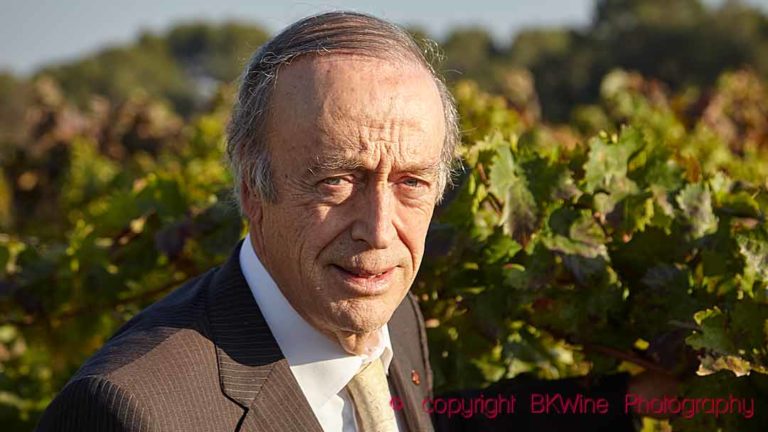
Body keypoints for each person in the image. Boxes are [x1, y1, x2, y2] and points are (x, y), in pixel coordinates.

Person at [35, 11, 457, 432]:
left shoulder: (397, 320)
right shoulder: (129, 411)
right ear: (251, 188)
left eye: (412, 182)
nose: (380, 231)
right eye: (337, 181)